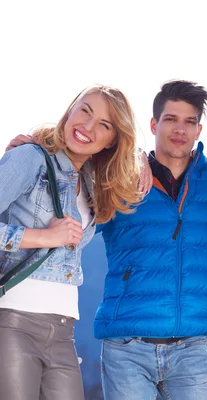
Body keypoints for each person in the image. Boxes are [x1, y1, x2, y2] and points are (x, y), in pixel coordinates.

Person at [89, 80, 207, 400]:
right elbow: (74, 160)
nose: (180, 130)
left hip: (191, 349)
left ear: (199, 129)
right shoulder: (122, 178)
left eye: (189, 122)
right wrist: (33, 144)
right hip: (126, 348)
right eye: (171, 119)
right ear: (153, 124)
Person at [0, 85, 141, 400]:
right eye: (85, 111)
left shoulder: (91, 184)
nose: (87, 127)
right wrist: (45, 236)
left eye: (104, 125)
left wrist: (140, 161)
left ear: (113, 140)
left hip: (63, 331)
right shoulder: (30, 158)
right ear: (71, 108)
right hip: (13, 321)